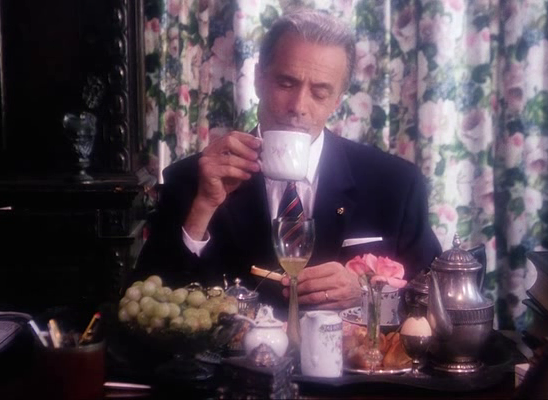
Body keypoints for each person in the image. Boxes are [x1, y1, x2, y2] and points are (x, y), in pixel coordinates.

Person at [135, 9, 441, 312]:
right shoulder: (191, 178)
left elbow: (436, 297)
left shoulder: (395, 184)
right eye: (286, 83)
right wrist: (202, 207)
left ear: (337, 101)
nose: (298, 106)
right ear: (258, 80)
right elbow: (146, 306)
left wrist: (367, 292)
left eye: (319, 93)